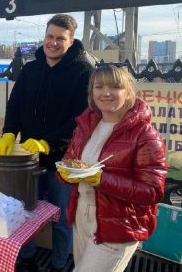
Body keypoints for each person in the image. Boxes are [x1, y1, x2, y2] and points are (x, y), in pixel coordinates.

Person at [0, 14, 94, 272]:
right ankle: (26, 257)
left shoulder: (83, 71)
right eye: (50, 36)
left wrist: (48, 143)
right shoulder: (30, 69)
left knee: (62, 216)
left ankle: (59, 265)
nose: (53, 43)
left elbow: (80, 117)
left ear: (71, 42)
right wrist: (9, 132)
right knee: (26, 211)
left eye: (60, 38)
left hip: (63, 160)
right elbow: (15, 105)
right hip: (28, 158)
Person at [57, 65, 167, 272]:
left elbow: (152, 191)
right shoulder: (86, 125)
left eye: (114, 87)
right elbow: (70, 159)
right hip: (83, 216)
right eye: (99, 87)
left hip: (119, 224)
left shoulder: (145, 135)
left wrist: (101, 179)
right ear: (92, 92)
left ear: (128, 92)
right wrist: (65, 173)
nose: (105, 93)